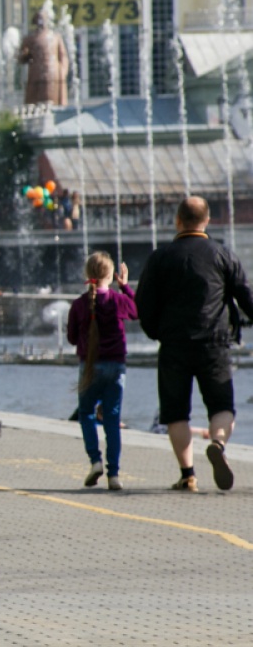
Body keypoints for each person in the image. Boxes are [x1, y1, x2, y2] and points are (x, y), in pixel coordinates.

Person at [135, 196, 253, 492]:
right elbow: (245, 296)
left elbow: (143, 305)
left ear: (177, 220)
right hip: (215, 342)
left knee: (175, 412)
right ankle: (217, 442)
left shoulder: (160, 257)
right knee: (222, 405)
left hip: (174, 344)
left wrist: (156, 333)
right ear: (207, 221)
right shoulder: (222, 254)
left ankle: (188, 475)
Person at [67, 252, 137, 491]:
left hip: (90, 367)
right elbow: (138, 311)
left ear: (88, 275)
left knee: (86, 413)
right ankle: (114, 475)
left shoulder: (78, 305)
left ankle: (95, 461)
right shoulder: (118, 301)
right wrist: (125, 287)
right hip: (116, 368)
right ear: (111, 275)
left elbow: (71, 339)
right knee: (112, 419)